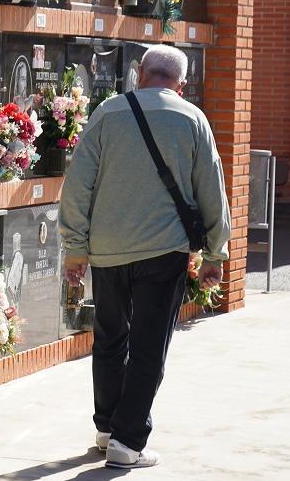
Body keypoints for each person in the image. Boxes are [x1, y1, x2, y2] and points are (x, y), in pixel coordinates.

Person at [58, 45, 230, 470]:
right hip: (164, 249)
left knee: (110, 338)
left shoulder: (107, 113)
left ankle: (107, 426)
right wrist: (215, 253)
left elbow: (78, 184)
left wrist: (75, 247)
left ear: (139, 75)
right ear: (182, 86)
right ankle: (128, 442)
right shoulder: (193, 119)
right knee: (150, 345)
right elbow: (211, 189)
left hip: (108, 249)